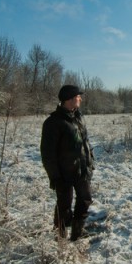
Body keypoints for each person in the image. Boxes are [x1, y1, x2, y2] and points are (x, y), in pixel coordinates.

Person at [40, 85, 95, 241]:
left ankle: (77, 233)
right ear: (69, 99)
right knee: (64, 207)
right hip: (64, 174)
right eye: (78, 97)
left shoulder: (78, 117)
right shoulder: (53, 122)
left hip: (82, 169)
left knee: (85, 200)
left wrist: (91, 160)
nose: (80, 99)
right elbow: (47, 154)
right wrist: (55, 177)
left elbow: (85, 141)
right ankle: (60, 237)